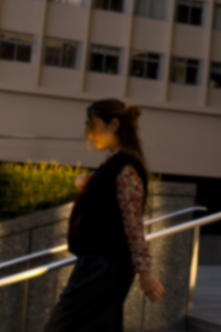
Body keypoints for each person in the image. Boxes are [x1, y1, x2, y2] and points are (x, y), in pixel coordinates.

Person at [43, 99, 165, 332]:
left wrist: (145, 272)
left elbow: (133, 224)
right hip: (100, 263)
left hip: (104, 265)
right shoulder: (111, 165)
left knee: (59, 326)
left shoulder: (125, 166)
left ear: (114, 125)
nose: (88, 132)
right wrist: (87, 186)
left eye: (92, 124)